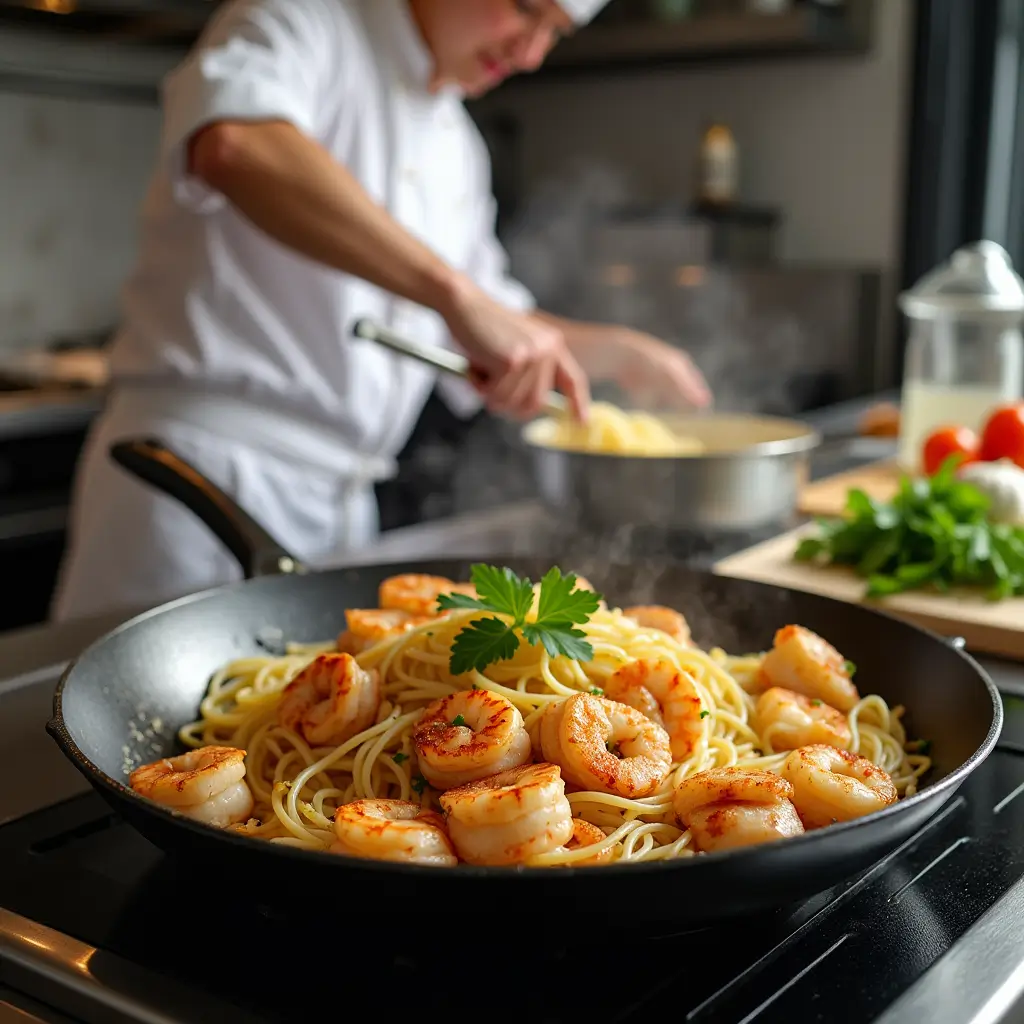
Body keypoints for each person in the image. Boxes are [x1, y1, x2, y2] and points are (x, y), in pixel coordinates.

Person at [51, 0, 711, 623]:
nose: (532, 51)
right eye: (525, 7)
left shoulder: (455, 142)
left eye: (555, 32)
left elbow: (496, 325)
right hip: (199, 482)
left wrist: (626, 353)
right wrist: (454, 294)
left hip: (339, 511)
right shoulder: (308, 19)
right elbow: (235, 145)